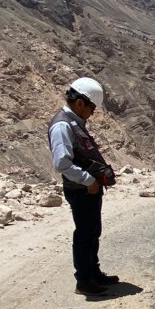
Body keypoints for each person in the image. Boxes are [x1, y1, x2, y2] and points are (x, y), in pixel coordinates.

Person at [48, 77, 118, 297]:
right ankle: (84, 281)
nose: (93, 112)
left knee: (92, 232)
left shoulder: (74, 123)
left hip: (89, 190)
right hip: (81, 190)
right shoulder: (62, 126)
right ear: (80, 103)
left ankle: (93, 272)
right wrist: (88, 180)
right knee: (84, 234)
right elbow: (62, 163)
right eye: (92, 107)